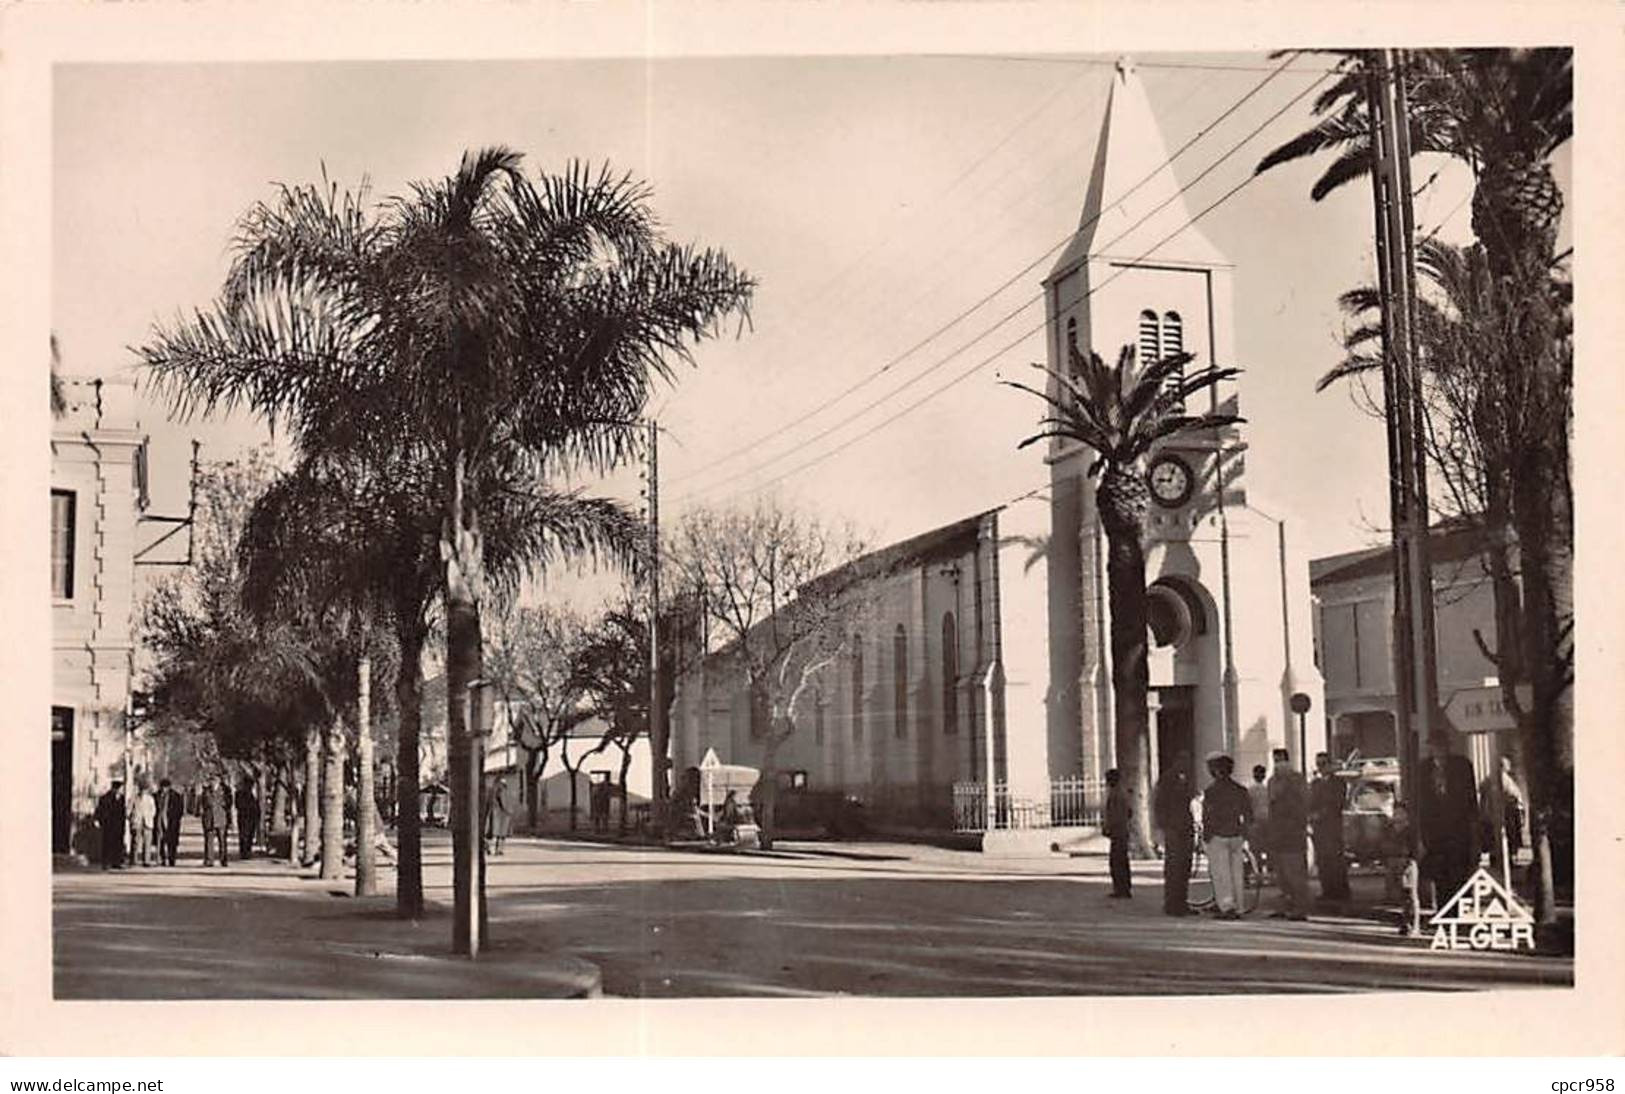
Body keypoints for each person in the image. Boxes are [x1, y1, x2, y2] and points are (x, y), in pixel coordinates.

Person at [1417, 728, 1479, 908]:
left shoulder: (1462, 765)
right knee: (1440, 873)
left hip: (1459, 829)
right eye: (1435, 747)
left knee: (1459, 871)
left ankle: (1461, 910)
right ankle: (1444, 910)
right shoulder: (1423, 769)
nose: (1439, 750)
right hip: (1435, 831)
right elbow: (1420, 801)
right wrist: (1422, 834)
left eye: (1442, 746)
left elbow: (1470, 797)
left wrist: (1473, 825)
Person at [1200, 752, 1252, 920]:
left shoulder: (1212, 791)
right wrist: (1244, 832)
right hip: (1236, 835)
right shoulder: (1240, 790)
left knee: (1221, 874)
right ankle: (1239, 906)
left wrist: (1206, 835)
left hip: (1218, 835)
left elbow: (1208, 816)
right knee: (1237, 873)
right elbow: (1249, 814)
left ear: (1216, 770)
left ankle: (1226, 906)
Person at [1266, 748, 1313, 920]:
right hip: (1277, 833)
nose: (1278, 764)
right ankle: (1286, 906)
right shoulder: (1272, 781)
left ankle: (1300, 908)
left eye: (1280, 760)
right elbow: (1270, 804)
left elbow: (1305, 803)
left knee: (1295, 873)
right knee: (1282, 875)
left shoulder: (1297, 780)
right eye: (1275, 760)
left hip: (1293, 833)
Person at [1152, 751, 1195, 917]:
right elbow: (1160, 803)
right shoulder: (1168, 779)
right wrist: (1163, 825)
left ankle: (1181, 902)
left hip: (1185, 826)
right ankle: (1172, 903)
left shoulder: (1186, 778)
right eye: (1183, 760)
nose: (1186, 764)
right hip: (1174, 828)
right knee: (1174, 866)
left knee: (1185, 866)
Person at [1309, 752, 1351, 902]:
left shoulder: (1338, 783)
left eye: (1324, 764)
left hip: (1333, 827)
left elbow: (1338, 803)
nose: (1321, 767)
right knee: (1323, 860)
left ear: (1330, 764)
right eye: (1318, 764)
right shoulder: (1315, 784)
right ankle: (1327, 890)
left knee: (1336, 859)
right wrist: (1311, 815)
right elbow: (1310, 802)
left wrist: (1322, 813)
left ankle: (1341, 891)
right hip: (1319, 829)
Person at [1479, 754, 1526, 870]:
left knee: (1503, 838)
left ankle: (1501, 859)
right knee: (1503, 837)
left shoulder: (1492, 778)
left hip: (1500, 813)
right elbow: (1514, 794)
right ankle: (1503, 860)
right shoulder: (1501, 778)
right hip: (1502, 813)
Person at [1383, 800, 1422, 937]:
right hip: (1393, 862)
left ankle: (1416, 925)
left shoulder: (1410, 830)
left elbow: (1416, 849)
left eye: (1400, 813)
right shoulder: (1390, 828)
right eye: (1396, 813)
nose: (1397, 815)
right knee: (1401, 895)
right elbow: (1384, 845)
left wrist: (1411, 862)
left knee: (1411, 895)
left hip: (1407, 863)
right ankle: (1405, 923)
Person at [1101, 768, 1132, 899]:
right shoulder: (1122, 793)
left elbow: (1115, 815)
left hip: (1118, 832)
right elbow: (1130, 812)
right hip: (1122, 830)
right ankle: (1123, 887)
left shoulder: (1116, 795)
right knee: (1121, 860)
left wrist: (1109, 827)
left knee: (1117, 862)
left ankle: (1121, 889)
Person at [94, 780, 126, 870]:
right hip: (108, 824)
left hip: (119, 825)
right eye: (120, 788)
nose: (121, 790)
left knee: (118, 843)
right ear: (115, 788)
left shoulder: (122, 798)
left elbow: (122, 812)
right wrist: (99, 820)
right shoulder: (105, 798)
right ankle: (106, 863)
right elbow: (99, 810)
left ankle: (117, 862)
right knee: (107, 844)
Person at [1247, 763, 1271, 874]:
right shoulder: (1268, 790)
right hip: (1268, 821)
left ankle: (1258, 871)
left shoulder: (1250, 790)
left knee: (1255, 849)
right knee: (1269, 847)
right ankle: (1270, 872)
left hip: (1255, 822)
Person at [154, 778, 184, 866]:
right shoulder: (156, 795)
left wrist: (176, 819)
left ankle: (172, 859)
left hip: (172, 822)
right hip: (159, 821)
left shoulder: (176, 796)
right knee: (160, 841)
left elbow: (180, 809)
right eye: (162, 787)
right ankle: (162, 859)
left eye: (165, 787)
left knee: (172, 842)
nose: (163, 789)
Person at [200, 780, 230, 867]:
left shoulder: (224, 790)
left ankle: (223, 859)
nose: (213, 783)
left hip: (221, 819)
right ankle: (209, 860)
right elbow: (202, 804)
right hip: (209, 819)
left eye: (215, 781)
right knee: (209, 841)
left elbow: (229, 803)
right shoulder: (206, 791)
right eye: (211, 781)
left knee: (222, 841)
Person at [129, 780, 157, 867]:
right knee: (135, 841)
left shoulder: (150, 799)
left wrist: (149, 817)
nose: (143, 792)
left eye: (144, 790)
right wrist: (131, 818)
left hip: (147, 822)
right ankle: (133, 860)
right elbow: (129, 809)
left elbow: (153, 810)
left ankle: (146, 860)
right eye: (141, 790)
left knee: (147, 842)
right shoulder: (134, 798)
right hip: (137, 822)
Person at [484, 774, 514, 855]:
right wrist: (506, 809)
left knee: (500, 833)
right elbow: (500, 802)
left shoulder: (501, 792)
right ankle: (493, 849)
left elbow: (506, 802)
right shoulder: (495, 792)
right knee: (496, 832)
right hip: (498, 813)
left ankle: (497, 849)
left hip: (501, 813)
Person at [235, 777, 261, 860]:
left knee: (250, 835)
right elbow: (238, 805)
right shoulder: (239, 793)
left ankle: (248, 851)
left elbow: (257, 806)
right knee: (243, 835)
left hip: (252, 818)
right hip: (244, 817)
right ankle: (243, 852)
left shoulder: (254, 794)